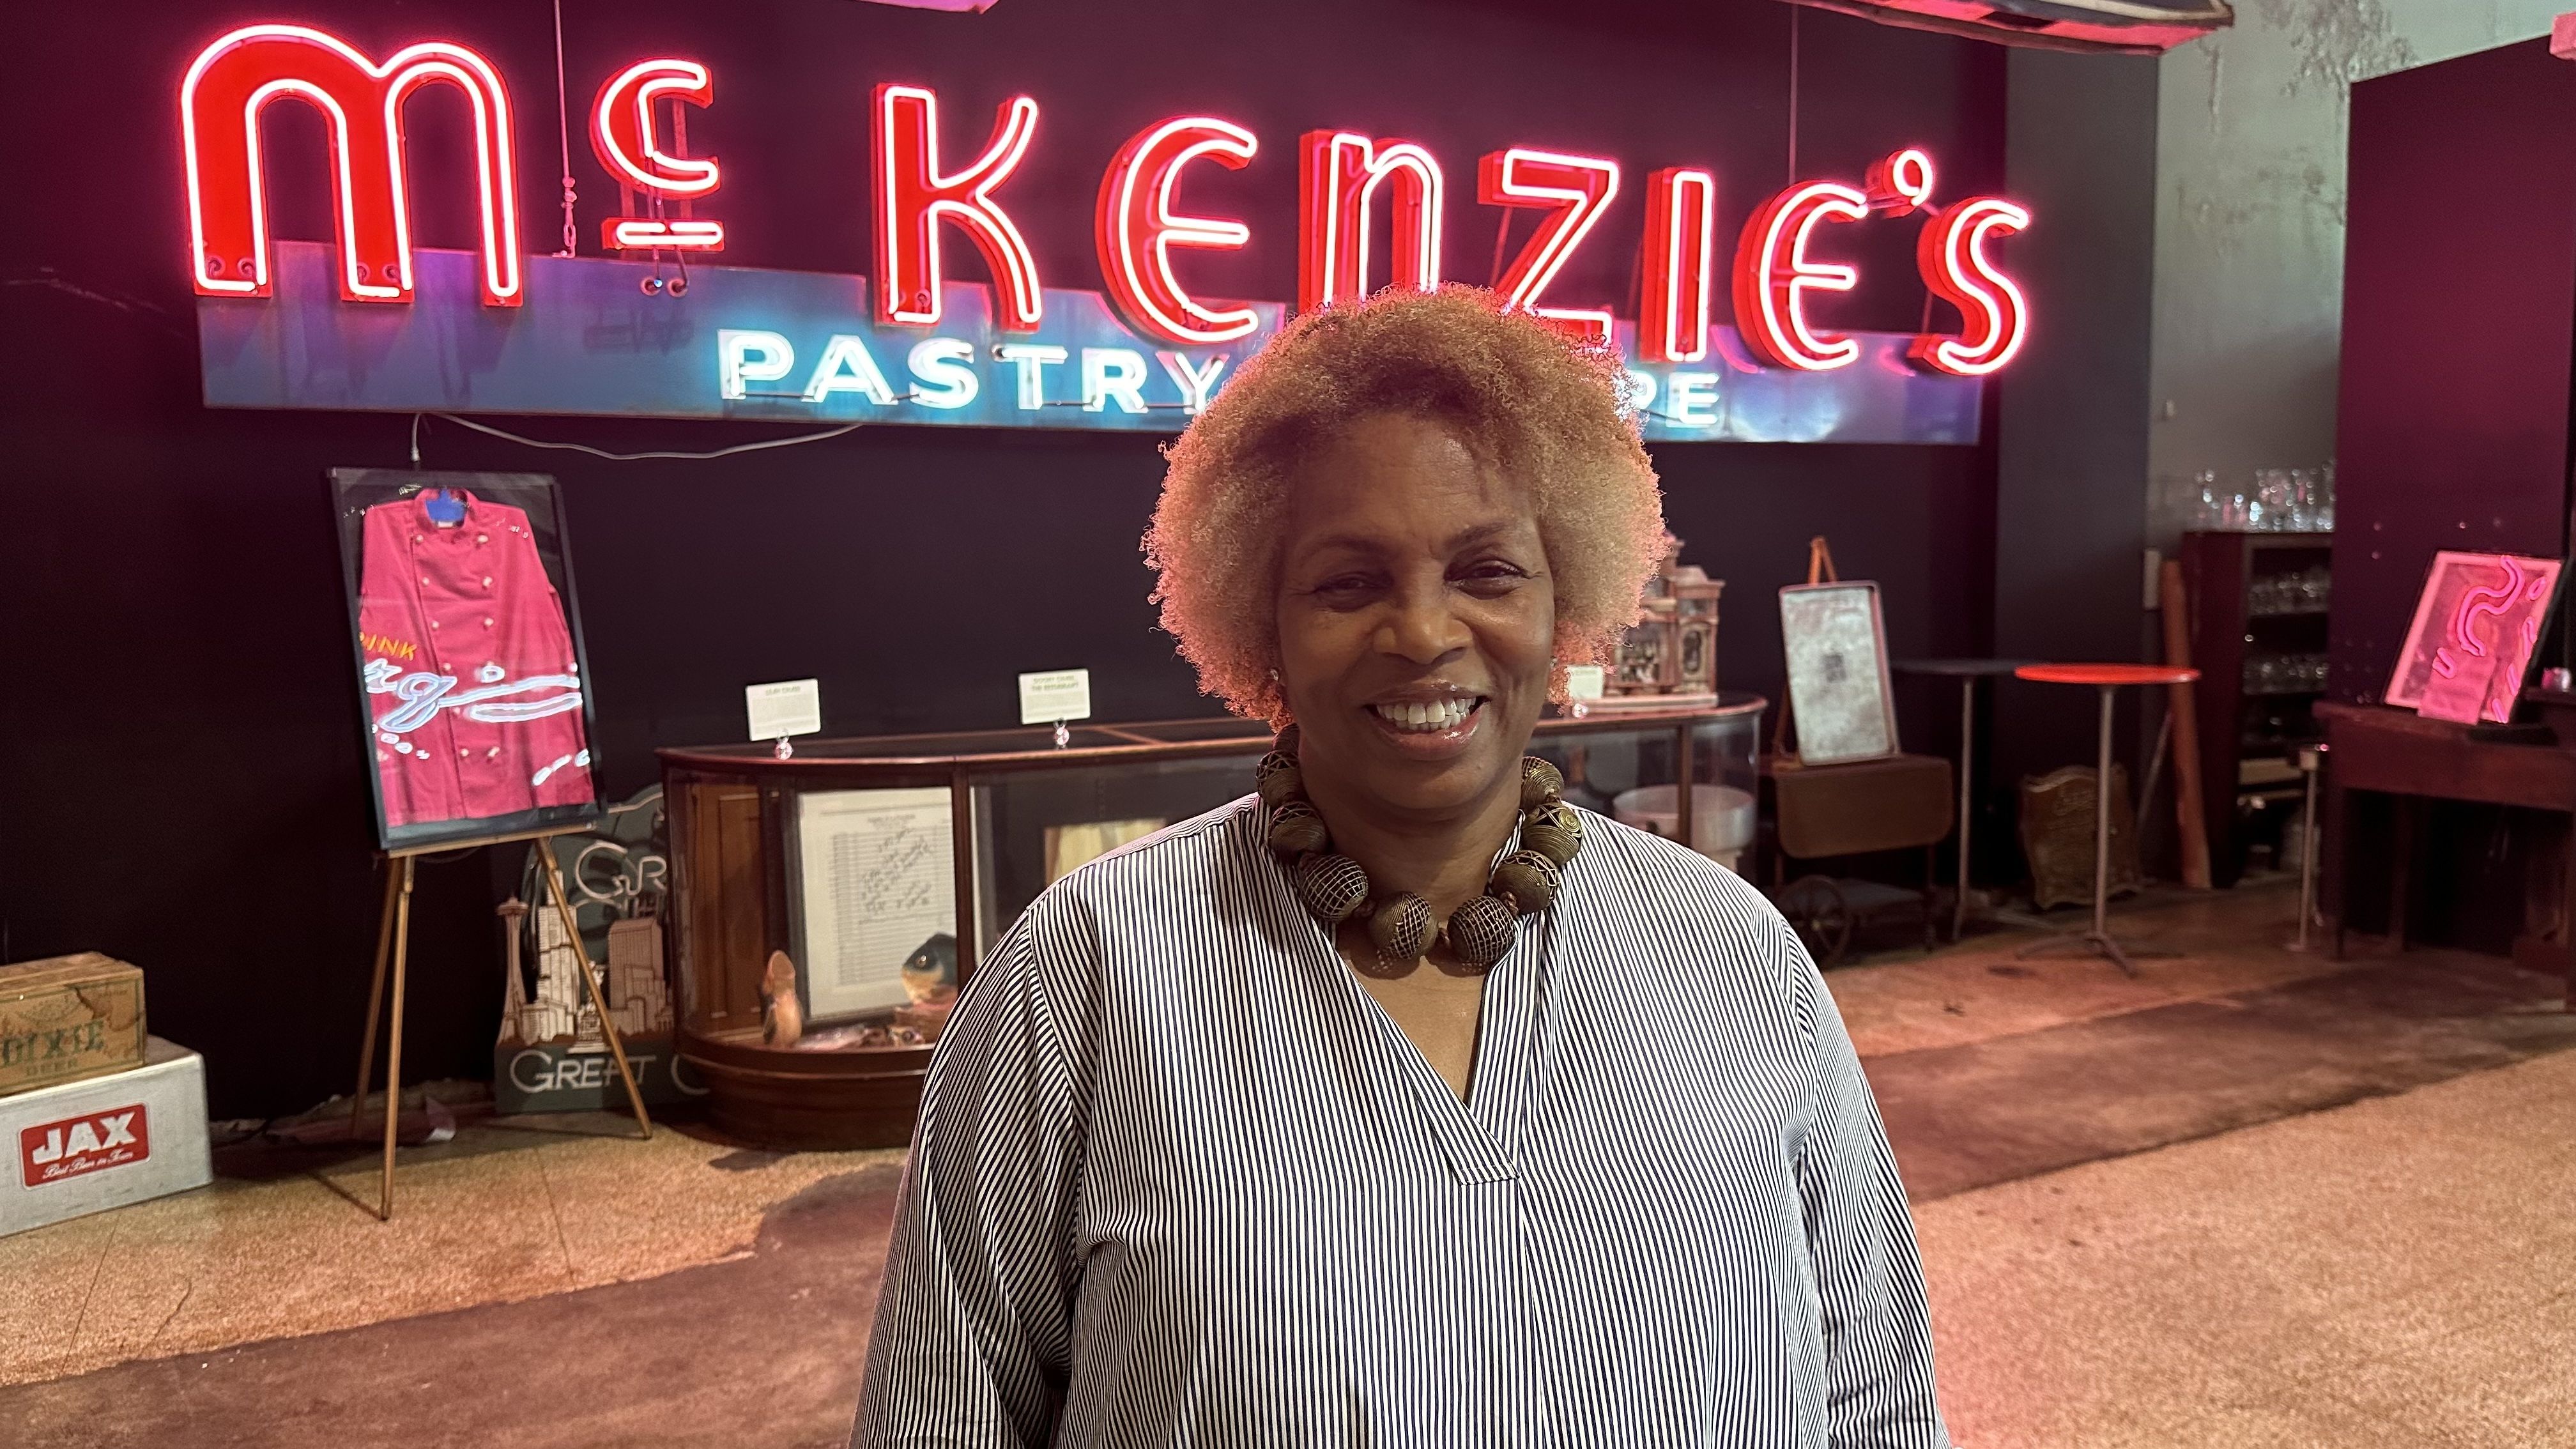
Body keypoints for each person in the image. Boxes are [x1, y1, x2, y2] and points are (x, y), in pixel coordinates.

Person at [854, 287, 1947, 1447]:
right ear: (1259, 623)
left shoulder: (1732, 959)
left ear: (1567, 596)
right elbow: (942, 1413)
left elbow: (1874, 1394)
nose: (1423, 632)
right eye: (1347, 582)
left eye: (1487, 571)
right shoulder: (1086, 973)